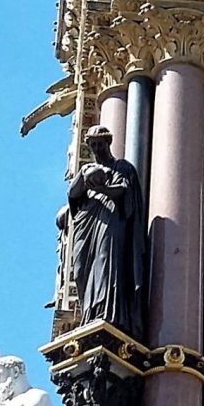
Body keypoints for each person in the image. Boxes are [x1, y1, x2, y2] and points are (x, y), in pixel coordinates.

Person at [63, 126, 146, 338]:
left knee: (106, 264)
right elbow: (73, 194)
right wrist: (83, 177)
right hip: (87, 222)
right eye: (93, 145)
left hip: (110, 219)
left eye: (100, 144)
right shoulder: (88, 169)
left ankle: (108, 313)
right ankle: (88, 314)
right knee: (81, 270)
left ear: (108, 143)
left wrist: (101, 189)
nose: (97, 149)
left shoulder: (122, 167)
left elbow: (124, 191)